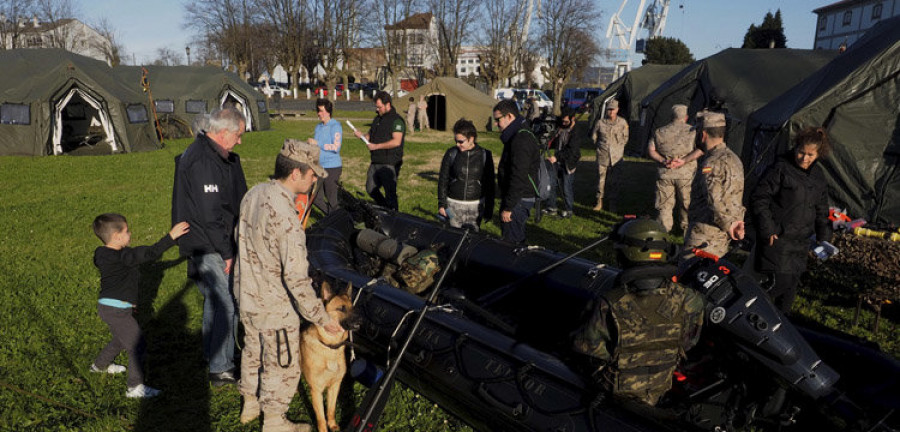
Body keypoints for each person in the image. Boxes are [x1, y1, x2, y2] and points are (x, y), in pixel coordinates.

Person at [235, 140, 344, 431]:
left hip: (247, 293)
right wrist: (321, 318)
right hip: (274, 305)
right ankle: (273, 421)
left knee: (252, 349)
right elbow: (296, 279)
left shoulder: (254, 193)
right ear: (296, 173)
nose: (315, 180)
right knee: (282, 363)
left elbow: (241, 242)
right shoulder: (286, 217)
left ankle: (249, 402)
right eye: (312, 174)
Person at [573, 218, 704, 406]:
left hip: (616, 395)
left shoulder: (608, 304)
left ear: (625, 254)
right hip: (661, 388)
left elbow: (588, 354)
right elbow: (688, 342)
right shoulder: (691, 300)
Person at [171, 107, 248, 386]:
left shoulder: (207, 153)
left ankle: (210, 353)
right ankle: (221, 367)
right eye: (238, 135)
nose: (240, 141)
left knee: (214, 303)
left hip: (204, 241)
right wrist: (227, 252)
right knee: (228, 305)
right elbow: (210, 213)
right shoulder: (204, 161)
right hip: (208, 244)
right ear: (224, 132)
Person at [90, 213, 190, 399]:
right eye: (127, 231)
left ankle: (99, 365)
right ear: (117, 236)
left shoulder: (101, 253)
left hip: (107, 307)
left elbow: (102, 260)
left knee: (121, 339)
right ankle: (134, 387)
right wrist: (171, 237)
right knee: (137, 344)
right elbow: (150, 253)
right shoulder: (125, 256)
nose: (130, 234)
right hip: (117, 309)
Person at [751, 127, 833, 314]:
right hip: (778, 239)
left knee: (789, 292)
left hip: (801, 243)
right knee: (778, 284)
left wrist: (824, 237)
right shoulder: (780, 168)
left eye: (810, 155)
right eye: (801, 152)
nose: (804, 158)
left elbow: (821, 209)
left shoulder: (818, 176)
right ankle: (750, 314)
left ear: (818, 154)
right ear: (795, 148)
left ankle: (780, 328)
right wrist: (768, 228)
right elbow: (759, 197)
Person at [683, 110, 745, 260]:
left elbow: (714, 199)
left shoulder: (712, 162)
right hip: (723, 236)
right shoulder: (734, 158)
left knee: (688, 275)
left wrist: (728, 224)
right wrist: (735, 224)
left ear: (703, 134)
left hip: (704, 236)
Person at [647, 104, 703, 233]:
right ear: (686, 117)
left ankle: (663, 232)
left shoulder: (659, 131)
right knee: (687, 204)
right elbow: (700, 150)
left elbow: (651, 150)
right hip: (686, 175)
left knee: (664, 205)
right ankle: (687, 231)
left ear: (671, 116)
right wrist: (683, 161)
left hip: (665, 174)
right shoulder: (693, 131)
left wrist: (664, 160)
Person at [494, 99, 539, 245]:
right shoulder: (516, 135)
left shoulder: (521, 139)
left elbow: (519, 176)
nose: (496, 124)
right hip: (517, 198)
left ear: (509, 117)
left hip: (519, 200)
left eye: (497, 120)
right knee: (513, 238)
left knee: (511, 243)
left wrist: (509, 207)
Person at [437, 118, 496, 230]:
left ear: (471, 139)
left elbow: (490, 184)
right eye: (456, 141)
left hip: (475, 207)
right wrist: (442, 204)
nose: (457, 144)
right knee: (452, 235)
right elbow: (443, 180)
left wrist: (489, 208)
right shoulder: (451, 153)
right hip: (452, 205)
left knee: (472, 239)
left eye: (461, 141)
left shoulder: (485, 154)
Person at [353, 91, 406, 211]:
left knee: (390, 193)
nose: (377, 109)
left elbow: (396, 141)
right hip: (375, 161)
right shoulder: (377, 119)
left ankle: (394, 215)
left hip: (389, 162)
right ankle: (385, 207)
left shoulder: (397, 121)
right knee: (370, 188)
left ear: (388, 105)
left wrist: (376, 146)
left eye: (379, 107)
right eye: (376, 107)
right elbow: (369, 137)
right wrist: (361, 136)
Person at [541, 109, 581, 218]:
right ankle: (551, 207)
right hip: (556, 161)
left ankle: (568, 209)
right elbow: (555, 141)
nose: (563, 123)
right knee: (551, 183)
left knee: (566, 186)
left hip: (568, 162)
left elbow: (571, 150)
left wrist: (556, 157)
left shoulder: (575, 132)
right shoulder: (560, 127)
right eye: (562, 121)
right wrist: (547, 142)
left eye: (566, 122)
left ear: (572, 119)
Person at [591, 99, 629, 212]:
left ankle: (613, 203)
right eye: (609, 110)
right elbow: (594, 137)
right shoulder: (600, 123)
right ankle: (599, 201)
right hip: (603, 156)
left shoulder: (622, 123)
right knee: (600, 181)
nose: (611, 112)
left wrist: (618, 148)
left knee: (615, 181)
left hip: (616, 157)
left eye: (613, 110)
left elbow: (626, 138)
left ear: (617, 110)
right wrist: (601, 147)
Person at [307, 98, 342, 214]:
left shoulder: (335, 126)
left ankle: (338, 220)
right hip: (318, 167)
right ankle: (331, 216)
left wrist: (318, 144)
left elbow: (336, 147)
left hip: (332, 167)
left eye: (321, 111)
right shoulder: (318, 127)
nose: (319, 113)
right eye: (318, 111)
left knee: (332, 199)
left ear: (328, 112)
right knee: (315, 197)